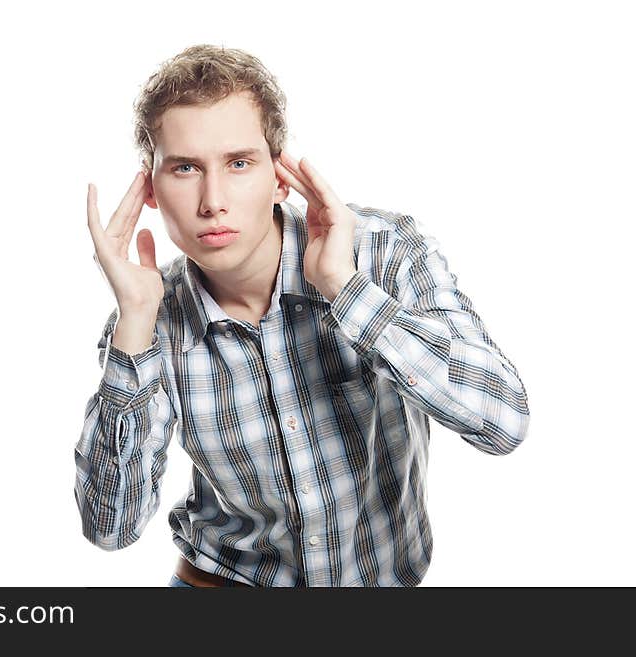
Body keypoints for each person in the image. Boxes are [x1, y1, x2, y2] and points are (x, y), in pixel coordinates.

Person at [74, 44, 530, 587]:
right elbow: (110, 529)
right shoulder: (146, 319)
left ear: (279, 176)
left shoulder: (383, 253)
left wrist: (346, 291)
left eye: (239, 163)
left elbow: (503, 421)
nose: (212, 200)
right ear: (151, 187)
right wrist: (135, 325)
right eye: (186, 168)